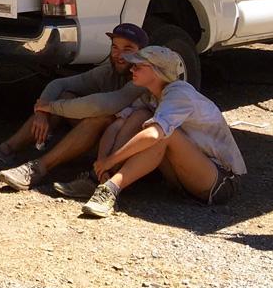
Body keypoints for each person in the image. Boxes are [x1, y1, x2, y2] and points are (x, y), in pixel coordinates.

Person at [0, 23, 151, 191]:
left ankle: (38, 168)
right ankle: (5, 151)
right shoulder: (108, 71)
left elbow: (104, 105)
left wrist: (52, 107)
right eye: (115, 47)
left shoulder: (143, 76)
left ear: (142, 52)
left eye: (128, 49)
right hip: (101, 141)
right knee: (65, 95)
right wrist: (42, 112)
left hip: (127, 149)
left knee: (101, 117)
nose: (119, 54)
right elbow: (59, 84)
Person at [78, 46, 246, 218]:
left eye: (138, 66)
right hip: (185, 176)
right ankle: (99, 178)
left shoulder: (179, 93)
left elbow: (153, 135)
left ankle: (110, 188)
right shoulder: (151, 96)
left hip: (221, 181)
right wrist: (102, 162)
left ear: (157, 72)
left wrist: (111, 159)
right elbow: (116, 126)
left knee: (163, 134)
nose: (131, 69)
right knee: (140, 115)